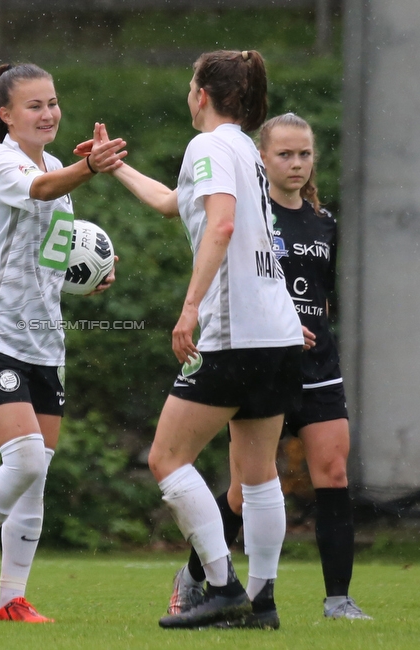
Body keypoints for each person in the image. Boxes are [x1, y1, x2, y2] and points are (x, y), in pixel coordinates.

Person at [103, 50, 304, 629]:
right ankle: (261, 603)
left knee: (167, 458)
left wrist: (189, 308)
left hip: (234, 332)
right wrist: (114, 166)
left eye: (191, 85)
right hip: (279, 334)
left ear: (202, 94)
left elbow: (220, 223)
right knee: (259, 471)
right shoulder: (242, 147)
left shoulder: (210, 146)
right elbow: (174, 203)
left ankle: (220, 585)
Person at [169, 112, 372, 621]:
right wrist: (282, 324)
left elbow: (322, 297)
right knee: (248, 485)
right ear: (261, 158)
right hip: (265, 357)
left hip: (317, 364)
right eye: (285, 154)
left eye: (305, 154)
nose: (297, 163)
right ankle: (199, 577)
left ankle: (338, 601)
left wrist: (309, 325)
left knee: (333, 470)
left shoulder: (325, 222)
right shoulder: (255, 215)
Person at [0, 63, 126, 624]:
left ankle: (11, 599)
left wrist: (88, 274)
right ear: (5, 114)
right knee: (21, 460)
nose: (47, 113)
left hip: (45, 343)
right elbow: (41, 188)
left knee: (36, 474)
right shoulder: (3, 163)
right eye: (33, 106)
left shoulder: (52, 165)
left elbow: (49, 251)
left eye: (52, 103)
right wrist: (88, 167)